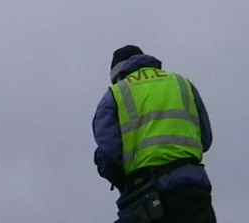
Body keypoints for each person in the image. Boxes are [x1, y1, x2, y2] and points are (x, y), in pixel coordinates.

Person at [92, 45, 216, 223]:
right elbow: (205, 139)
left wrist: (121, 182)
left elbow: (108, 153)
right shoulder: (182, 83)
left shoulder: (116, 93)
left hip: (147, 194)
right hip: (194, 189)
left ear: (118, 74)